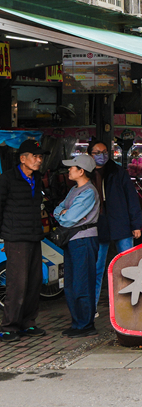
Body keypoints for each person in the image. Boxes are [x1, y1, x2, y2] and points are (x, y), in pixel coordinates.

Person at [0, 139, 50, 343]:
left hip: (34, 235)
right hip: (15, 237)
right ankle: (8, 326)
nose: (39, 160)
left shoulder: (37, 178)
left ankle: (28, 323)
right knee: (17, 284)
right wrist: (2, 237)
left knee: (34, 282)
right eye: (35, 156)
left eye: (40, 157)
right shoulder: (7, 179)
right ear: (23, 159)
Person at [89, 141, 142, 311]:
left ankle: (131, 306)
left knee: (128, 266)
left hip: (121, 223)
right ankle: (91, 308)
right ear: (90, 154)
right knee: (96, 268)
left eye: (104, 151)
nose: (102, 155)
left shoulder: (118, 171)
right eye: (97, 152)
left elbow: (131, 198)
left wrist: (136, 224)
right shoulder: (86, 172)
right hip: (98, 224)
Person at [53, 154, 100, 338]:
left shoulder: (88, 192)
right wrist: (64, 213)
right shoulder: (74, 190)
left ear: (81, 171)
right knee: (71, 284)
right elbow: (59, 210)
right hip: (73, 240)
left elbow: (69, 218)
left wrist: (65, 213)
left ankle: (86, 324)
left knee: (82, 283)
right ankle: (78, 323)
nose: (69, 170)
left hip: (84, 240)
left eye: (72, 167)